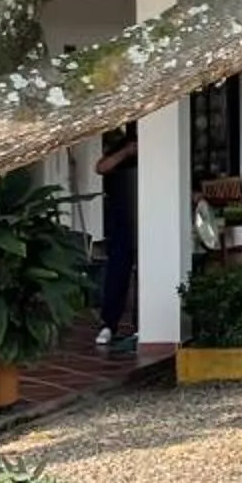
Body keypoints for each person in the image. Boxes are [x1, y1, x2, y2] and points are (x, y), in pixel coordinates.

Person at [92, 126, 139, 345]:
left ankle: (142, 325)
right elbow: (101, 167)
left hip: (149, 218)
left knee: (147, 274)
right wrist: (127, 151)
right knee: (117, 272)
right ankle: (108, 324)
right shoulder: (123, 147)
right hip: (122, 220)